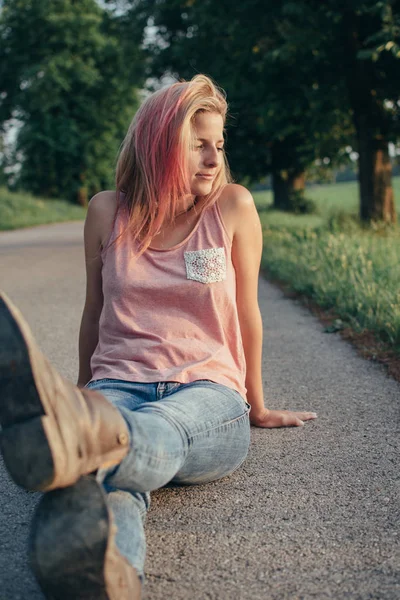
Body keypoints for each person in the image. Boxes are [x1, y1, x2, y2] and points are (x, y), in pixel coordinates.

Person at [0, 74, 317, 599]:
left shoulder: (232, 207)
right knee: (114, 480)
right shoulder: (107, 211)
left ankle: (86, 439)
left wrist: (256, 405)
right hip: (117, 384)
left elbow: (247, 311)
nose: (214, 159)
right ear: (159, 145)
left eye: (219, 145)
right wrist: (85, 396)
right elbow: (93, 311)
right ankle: (111, 580)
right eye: (198, 146)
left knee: (140, 439)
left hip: (208, 394)